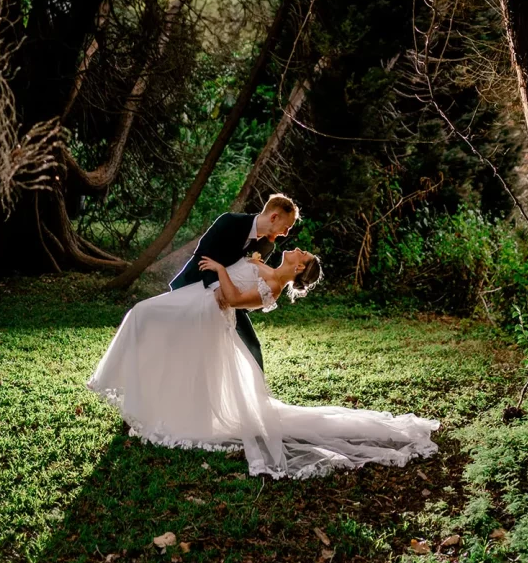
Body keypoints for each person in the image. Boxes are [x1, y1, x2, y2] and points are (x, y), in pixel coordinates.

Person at [88, 209, 439, 479]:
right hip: (197, 301)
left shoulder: (271, 289)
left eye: (301, 253)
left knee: (141, 316)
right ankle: (139, 395)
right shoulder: (266, 266)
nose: (297, 248)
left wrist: (219, 268)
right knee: (149, 327)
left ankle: (141, 399)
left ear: (299, 268)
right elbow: (246, 264)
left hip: (205, 311)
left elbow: (233, 300)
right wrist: (234, 263)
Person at [167, 193, 299, 371]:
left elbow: (250, 278)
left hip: (232, 301)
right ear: (274, 217)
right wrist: (216, 286)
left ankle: (258, 392)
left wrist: (238, 299)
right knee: (177, 342)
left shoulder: (267, 246)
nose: (286, 232)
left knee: (252, 346)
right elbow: (203, 255)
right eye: (287, 227)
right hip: (194, 287)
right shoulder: (230, 221)